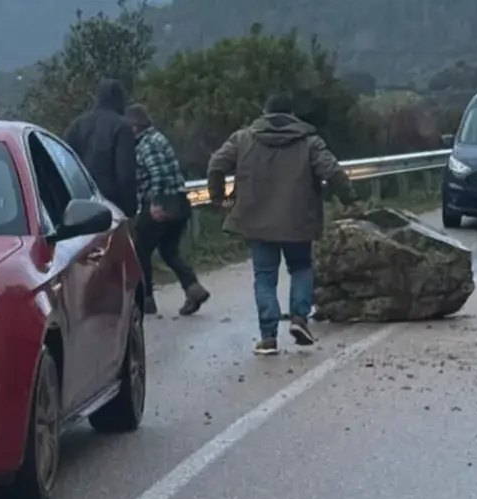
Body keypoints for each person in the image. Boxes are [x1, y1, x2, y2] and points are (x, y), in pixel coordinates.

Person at [207, 92, 354, 354]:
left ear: (265, 113)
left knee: (264, 276)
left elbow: (216, 165)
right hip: (299, 220)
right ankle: (299, 318)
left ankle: (268, 337)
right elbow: (332, 171)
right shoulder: (309, 141)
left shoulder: (243, 138)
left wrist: (220, 200)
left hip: (256, 221)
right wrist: (348, 198)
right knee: (300, 268)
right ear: (292, 115)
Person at [126, 105, 209, 316]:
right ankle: (193, 288)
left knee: (140, 248)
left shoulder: (147, 144)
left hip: (163, 203)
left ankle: (146, 298)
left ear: (135, 126)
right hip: (179, 202)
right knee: (168, 250)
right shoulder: (158, 138)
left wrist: (156, 202)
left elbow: (158, 174)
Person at [64, 79, 140, 220]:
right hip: (112, 207)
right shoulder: (122, 127)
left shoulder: (76, 126)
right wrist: (130, 208)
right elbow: (125, 174)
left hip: (79, 206)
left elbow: (66, 166)